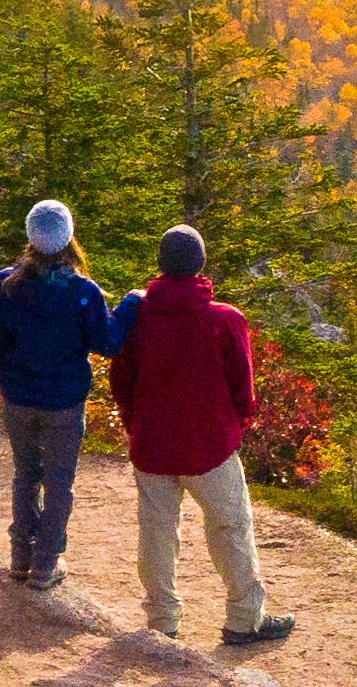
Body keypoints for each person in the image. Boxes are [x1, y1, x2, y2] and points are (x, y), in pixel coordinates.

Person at [114, 222, 283, 648]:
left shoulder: (137, 319)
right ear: (200, 264)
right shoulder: (226, 320)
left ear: (161, 264)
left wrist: (137, 425)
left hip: (152, 446)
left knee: (156, 531)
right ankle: (245, 619)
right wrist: (236, 423)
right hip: (211, 447)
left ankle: (162, 623)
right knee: (229, 526)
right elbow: (243, 390)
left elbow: (122, 381)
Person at [0, 199, 124, 592]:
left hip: (19, 398)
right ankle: (46, 564)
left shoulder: (6, 284)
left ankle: (20, 559)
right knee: (59, 482)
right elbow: (105, 343)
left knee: (26, 475)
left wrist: (4, 381)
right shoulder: (82, 291)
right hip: (64, 401)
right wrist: (129, 306)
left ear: (30, 236)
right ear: (68, 238)